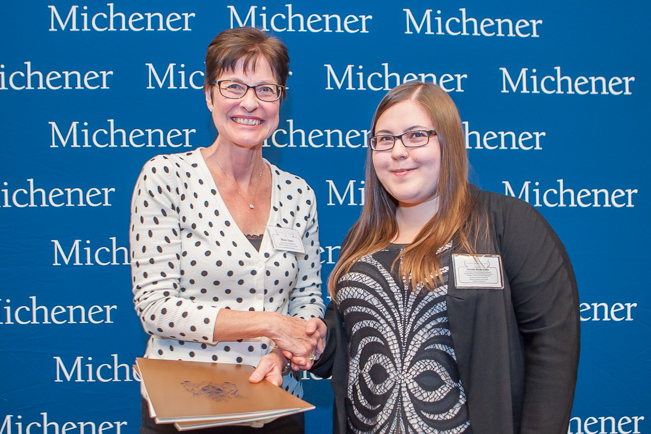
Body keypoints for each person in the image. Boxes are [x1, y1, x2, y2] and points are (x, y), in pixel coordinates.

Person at [308, 81, 580, 434]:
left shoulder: (508, 225)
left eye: (416, 135)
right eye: (384, 139)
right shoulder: (361, 239)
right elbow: (349, 344)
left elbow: (552, 347)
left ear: (448, 141)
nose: (398, 151)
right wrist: (316, 341)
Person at [129, 27, 325, 434]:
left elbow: (307, 297)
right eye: (234, 86)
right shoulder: (167, 177)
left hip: (276, 407)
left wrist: (284, 351)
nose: (250, 103)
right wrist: (272, 325)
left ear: (280, 100)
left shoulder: (299, 193)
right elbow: (155, 307)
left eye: (266, 89)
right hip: (187, 409)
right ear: (209, 95)